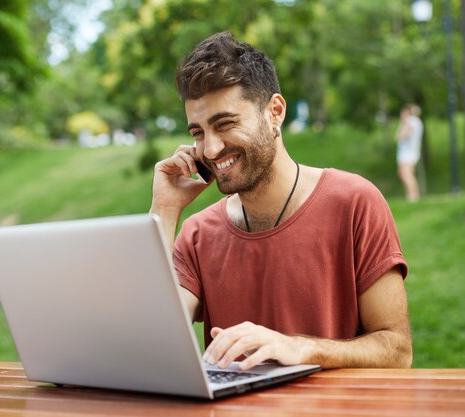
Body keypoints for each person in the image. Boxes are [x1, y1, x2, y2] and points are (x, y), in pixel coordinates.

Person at [150, 32, 412, 371]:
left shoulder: (354, 202)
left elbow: (397, 350)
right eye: (198, 133)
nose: (211, 149)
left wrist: (301, 349)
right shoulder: (198, 234)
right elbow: (150, 345)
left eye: (225, 124)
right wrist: (164, 212)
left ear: (275, 112)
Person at [395, 104, 423, 202]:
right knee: (404, 173)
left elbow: (401, 136)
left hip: (407, 153)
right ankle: (412, 195)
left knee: (407, 174)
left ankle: (412, 196)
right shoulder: (417, 122)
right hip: (411, 152)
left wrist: (401, 125)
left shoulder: (409, 121)